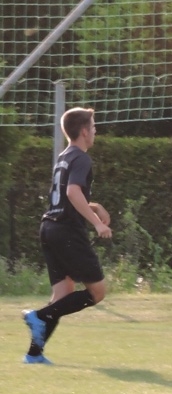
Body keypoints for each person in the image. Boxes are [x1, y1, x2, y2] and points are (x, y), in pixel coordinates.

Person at [21, 107, 113, 364]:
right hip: (67, 232)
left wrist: (95, 206)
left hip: (49, 228)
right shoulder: (82, 158)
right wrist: (97, 223)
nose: (95, 131)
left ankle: (34, 355)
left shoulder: (64, 156)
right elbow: (73, 192)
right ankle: (38, 316)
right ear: (83, 131)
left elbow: (66, 196)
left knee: (61, 296)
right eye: (93, 127)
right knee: (97, 292)